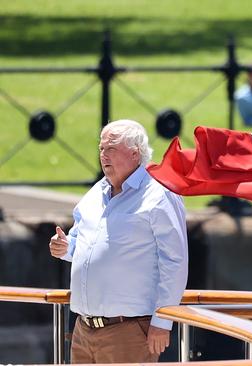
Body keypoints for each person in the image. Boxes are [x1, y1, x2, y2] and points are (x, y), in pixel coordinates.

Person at [49, 119, 188, 363]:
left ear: (135, 152)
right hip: (83, 329)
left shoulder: (159, 194)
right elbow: (81, 243)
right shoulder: (96, 192)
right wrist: (65, 247)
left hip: (130, 331)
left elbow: (175, 262)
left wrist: (162, 322)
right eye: (101, 148)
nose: (103, 155)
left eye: (111, 148)